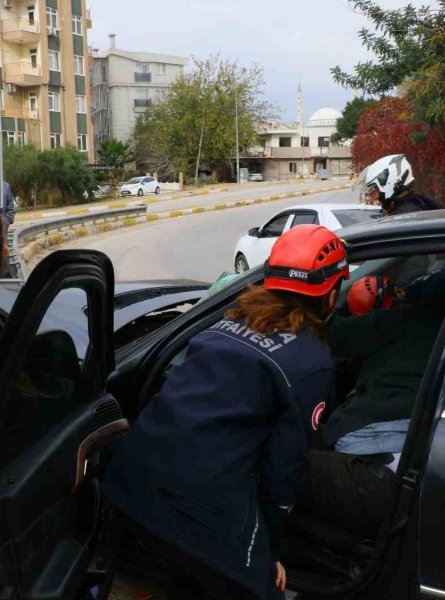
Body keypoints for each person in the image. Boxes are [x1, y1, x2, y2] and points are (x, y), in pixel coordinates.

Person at [102, 225, 352, 599]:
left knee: (187, 575)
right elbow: (284, 472)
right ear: (330, 295)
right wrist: (270, 553)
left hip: (130, 484)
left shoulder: (226, 324)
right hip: (200, 505)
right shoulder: (311, 362)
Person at [295, 267, 445, 539]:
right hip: (421, 453)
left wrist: (318, 303)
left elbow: (332, 334)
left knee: (278, 466)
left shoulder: (407, 319)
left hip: (367, 442)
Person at [362, 154, 442, 215]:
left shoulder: (404, 216)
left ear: (390, 181)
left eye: (375, 189)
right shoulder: (420, 203)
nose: (374, 197)